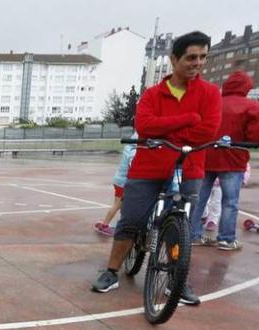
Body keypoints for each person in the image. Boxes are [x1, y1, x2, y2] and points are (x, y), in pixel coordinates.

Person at [91, 31, 221, 306]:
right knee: (131, 220)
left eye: (202, 57)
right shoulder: (153, 94)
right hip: (148, 168)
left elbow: (207, 131)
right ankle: (112, 271)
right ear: (175, 59)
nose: (197, 63)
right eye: (191, 57)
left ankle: (177, 279)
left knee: (181, 227)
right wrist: (188, 119)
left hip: (189, 168)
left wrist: (169, 131)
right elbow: (145, 127)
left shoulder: (209, 93)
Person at [190, 70, 259, 251]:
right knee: (229, 201)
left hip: (206, 155)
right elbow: (254, 136)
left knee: (199, 198)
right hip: (232, 158)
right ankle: (226, 239)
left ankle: (192, 234)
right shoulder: (251, 106)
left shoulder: (213, 102)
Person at [94, 134, 137, 237]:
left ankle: (108, 223)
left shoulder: (128, 147)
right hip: (123, 182)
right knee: (118, 204)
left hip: (120, 180)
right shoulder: (133, 150)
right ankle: (104, 225)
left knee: (122, 205)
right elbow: (132, 165)